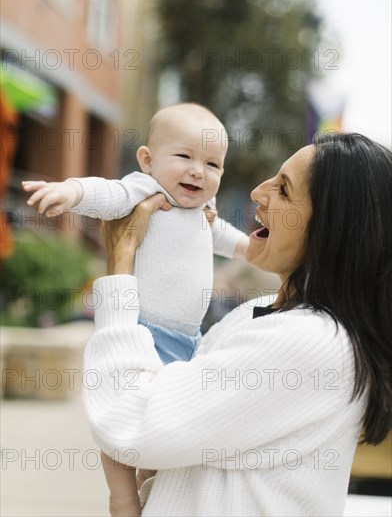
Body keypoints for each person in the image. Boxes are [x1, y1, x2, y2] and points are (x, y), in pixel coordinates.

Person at [82, 132, 391, 516]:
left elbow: (130, 422)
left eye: (283, 190)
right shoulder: (260, 311)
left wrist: (121, 264)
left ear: (330, 229)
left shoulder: (311, 341)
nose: (259, 193)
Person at [22, 103, 248, 515]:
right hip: (141, 330)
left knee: (162, 424)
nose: (198, 170)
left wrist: (255, 249)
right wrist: (69, 191)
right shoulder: (146, 191)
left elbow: (231, 240)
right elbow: (106, 193)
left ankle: (148, 480)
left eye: (212, 164)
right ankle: (121, 493)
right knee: (121, 418)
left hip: (188, 342)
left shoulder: (203, 214)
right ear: (147, 160)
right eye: (184, 157)